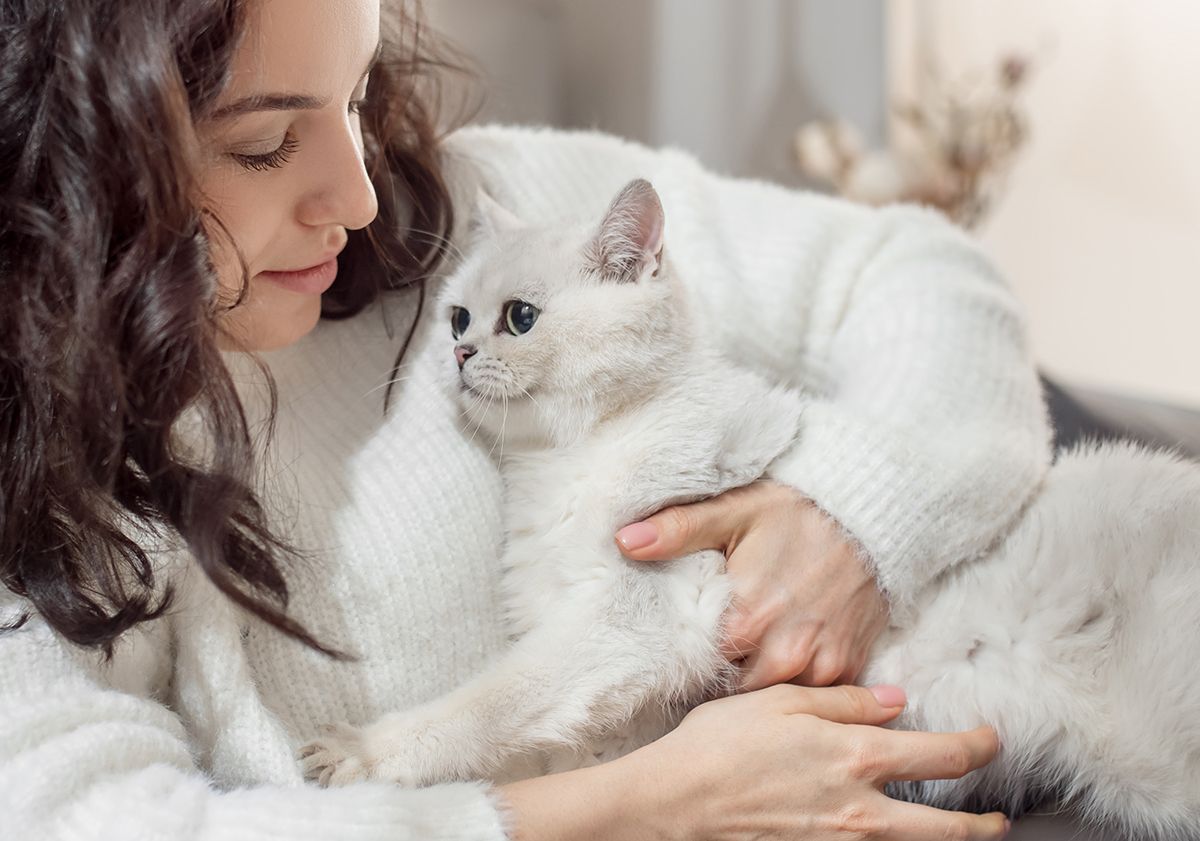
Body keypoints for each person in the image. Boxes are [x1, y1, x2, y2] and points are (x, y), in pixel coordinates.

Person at [0, 1, 1050, 839]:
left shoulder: (493, 206)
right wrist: (647, 808)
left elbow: (920, 270)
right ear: (83, 158)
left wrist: (854, 518)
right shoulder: (48, 476)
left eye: (356, 97)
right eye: (270, 140)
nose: (361, 196)